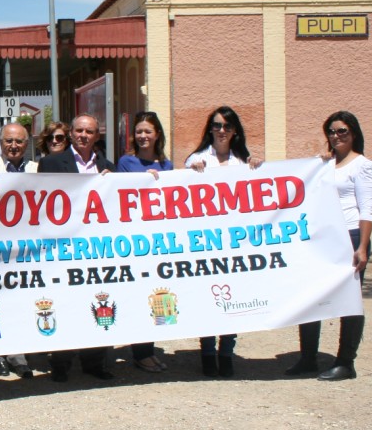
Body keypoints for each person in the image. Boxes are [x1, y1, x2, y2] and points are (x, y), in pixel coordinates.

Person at [285, 111, 372, 381]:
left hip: (351, 236)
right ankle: (308, 357)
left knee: (350, 301)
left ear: (354, 134)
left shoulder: (363, 166)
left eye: (342, 131)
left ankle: (346, 362)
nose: (336, 136)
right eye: (332, 132)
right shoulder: (324, 164)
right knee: (312, 297)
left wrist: (362, 247)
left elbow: (367, 210)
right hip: (323, 237)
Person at [185, 105, 262, 378]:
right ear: (210, 129)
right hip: (205, 243)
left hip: (235, 243)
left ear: (235, 131)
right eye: (217, 126)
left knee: (233, 297)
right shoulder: (196, 159)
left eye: (227, 126)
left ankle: (227, 351)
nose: (221, 131)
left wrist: (258, 170)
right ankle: (207, 352)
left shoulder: (244, 162)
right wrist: (190, 171)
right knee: (208, 297)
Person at [38, 114, 115, 381]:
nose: (83, 135)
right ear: (71, 133)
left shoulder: (107, 166)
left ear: (97, 136)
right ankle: (61, 363)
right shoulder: (49, 163)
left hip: (96, 248)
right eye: (79, 131)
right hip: (63, 246)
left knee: (99, 299)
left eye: (89, 132)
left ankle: (95, 361)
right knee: (66, 303)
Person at [116, 111, 174, 374]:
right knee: (139, 296)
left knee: (157, 296)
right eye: (138, 132)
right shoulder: (126, 162)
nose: (142, 136)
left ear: (157, 134)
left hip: (159, 242)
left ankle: (148, 350)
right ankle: (141, 353)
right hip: (134, 242)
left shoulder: (168, 166)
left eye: (147, 131)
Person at [0, 122, 37, 379]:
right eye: (8, 141)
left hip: (26, 249)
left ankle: (19, 355)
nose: (13, 146)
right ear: (0, 143)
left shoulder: (38, 170)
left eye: (19, 141)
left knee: (19, 302)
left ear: (27, 144)